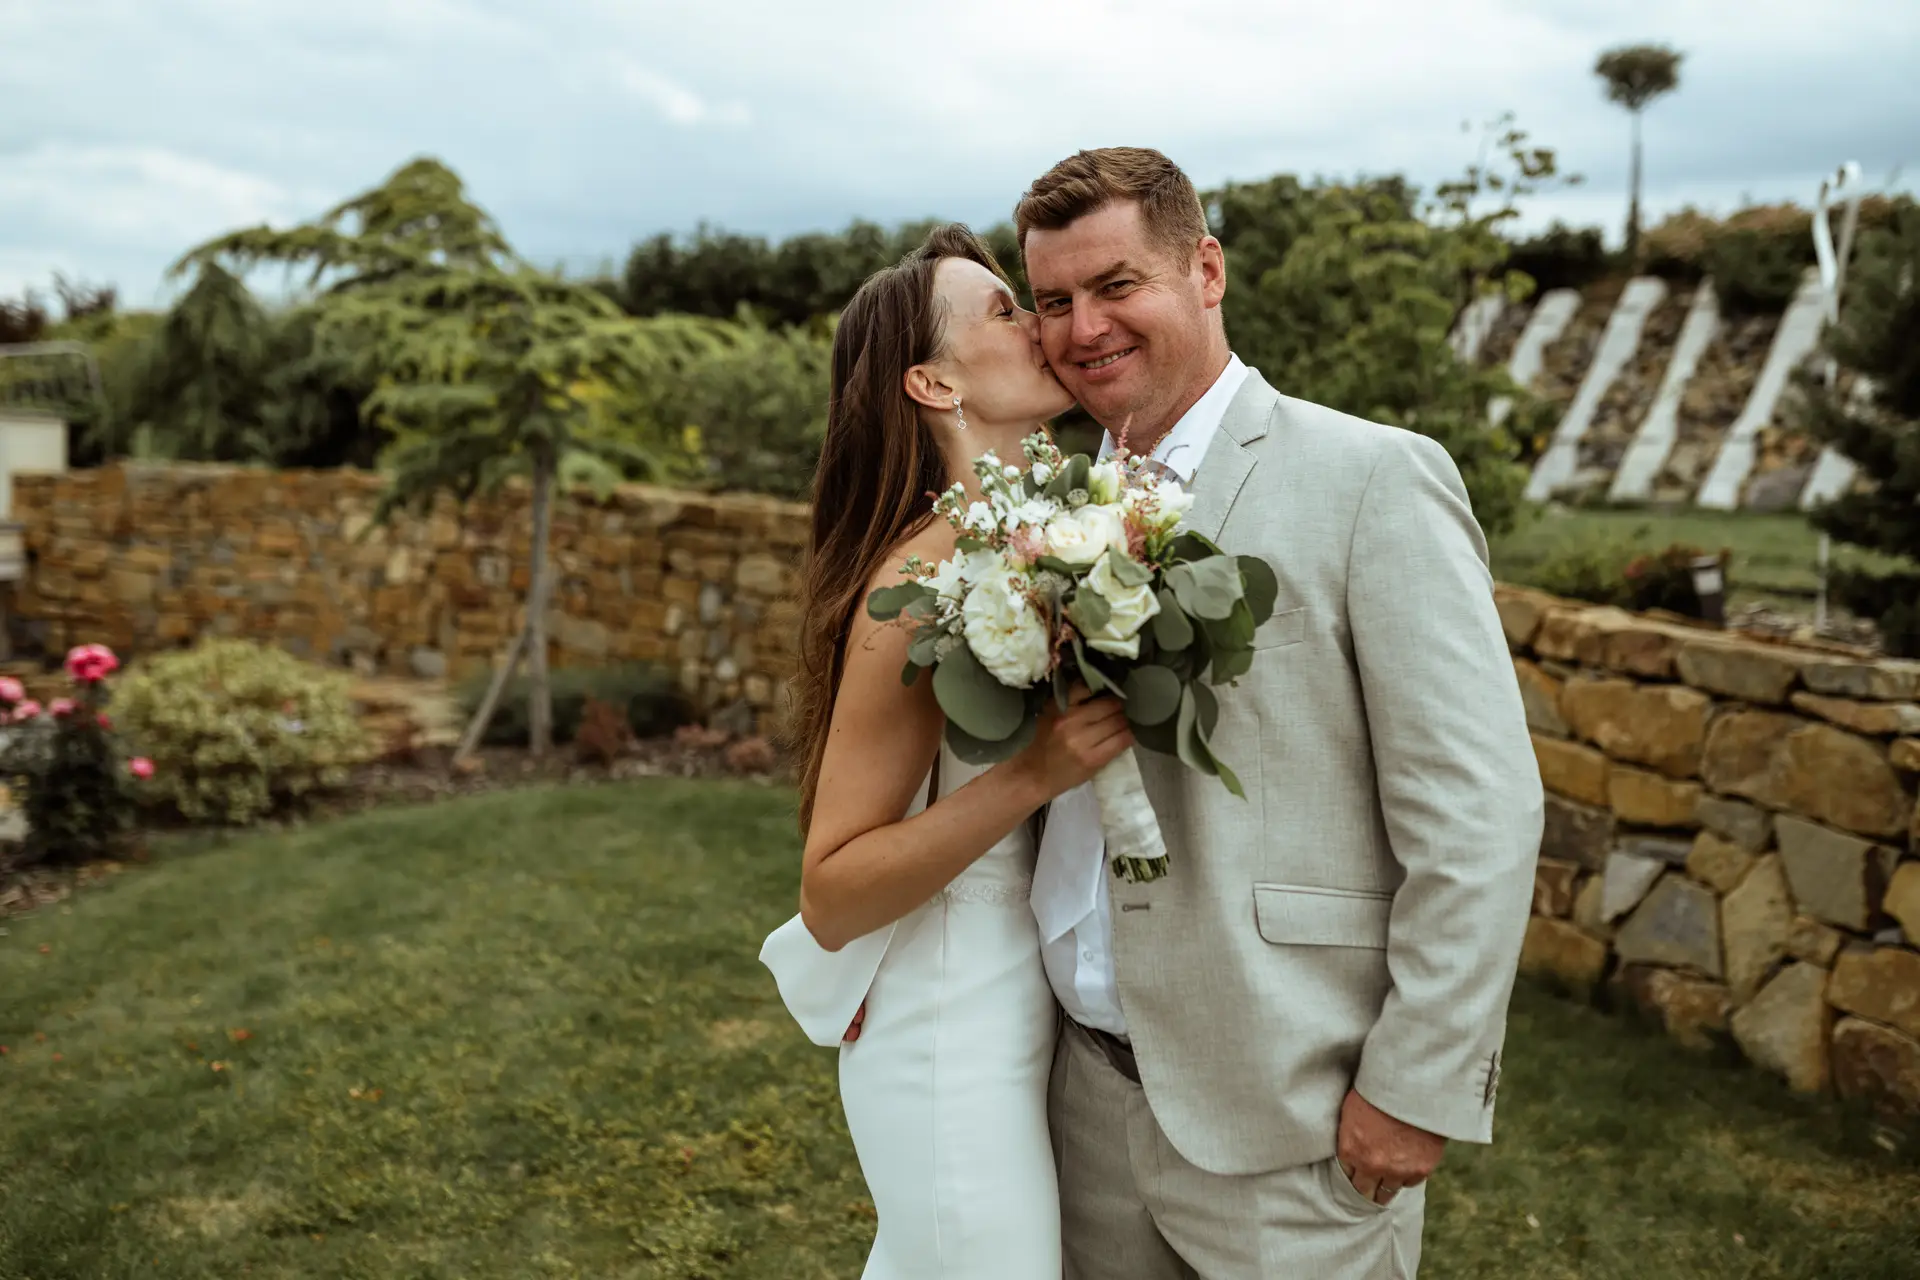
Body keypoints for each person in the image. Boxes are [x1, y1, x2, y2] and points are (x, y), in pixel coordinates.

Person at [1016, 146, 1543, 1279]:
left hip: (1294, 1116)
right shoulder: (1043, 508)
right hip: (1081, 1101)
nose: (1083, 327)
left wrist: (1417, 1084)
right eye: (1053, 301)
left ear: (1206, 270)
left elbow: (1479, 811)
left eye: (1116, 284)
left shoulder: (1372, 478)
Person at [758, 224, 1130, 1279]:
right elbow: (832, 891)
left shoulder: (1023, 542)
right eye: (1005, 311)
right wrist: (1034, 774)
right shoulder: (917, 586)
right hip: (945, 1034)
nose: (1041, 325)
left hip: (1023, 1008)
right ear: (933, 382)